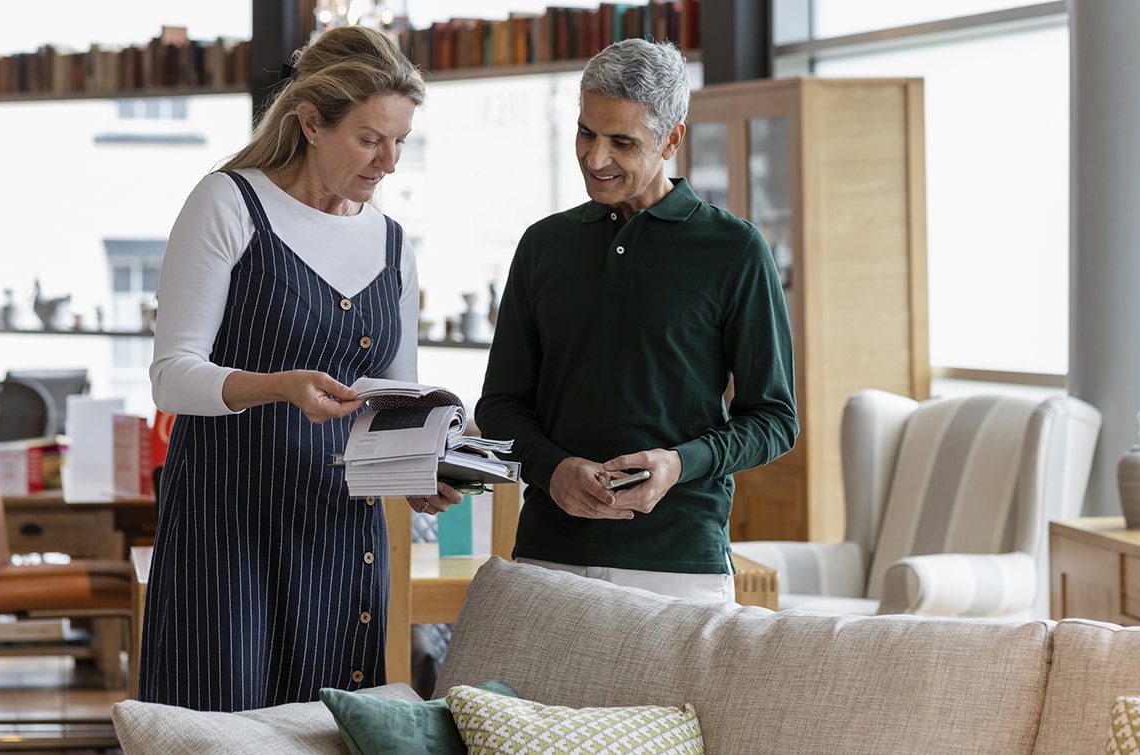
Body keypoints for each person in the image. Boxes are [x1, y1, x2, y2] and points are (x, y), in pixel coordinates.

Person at [140, 25, 461, 713]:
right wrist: (279, 387)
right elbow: (171, 375)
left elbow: (392, 400)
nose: (388, 163)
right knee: (220, 725)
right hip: (229, 526)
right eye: (370, 139)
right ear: (312, 122)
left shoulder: (392, 244)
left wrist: (418, 472)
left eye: (401, 141)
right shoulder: (229, 203)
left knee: (328, 730)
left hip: (342, 532)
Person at [475, 39, 798, 603]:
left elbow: (774, 418)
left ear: (672, 139)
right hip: (548, 558)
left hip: (679, 567)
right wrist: (553, 470)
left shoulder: (735, 250)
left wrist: (678, 463)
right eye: (586, 133)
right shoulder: (543, 245)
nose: (595, 159)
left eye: (622, 142)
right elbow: (500, 405)